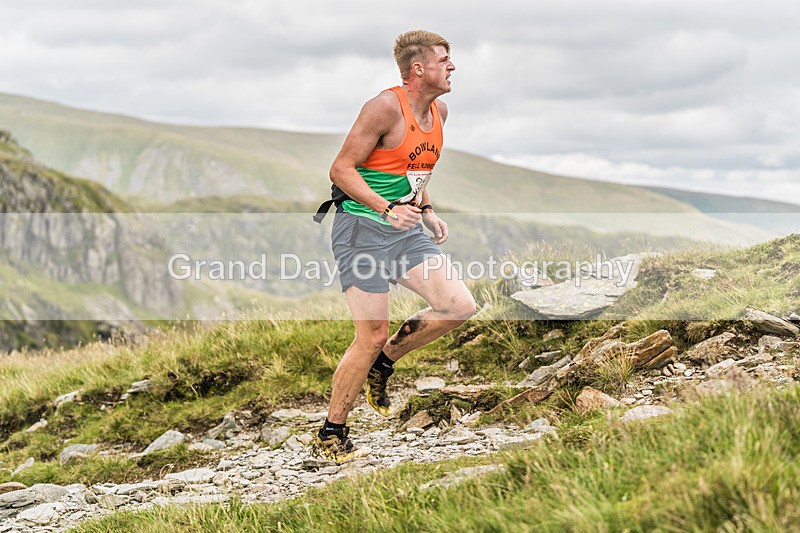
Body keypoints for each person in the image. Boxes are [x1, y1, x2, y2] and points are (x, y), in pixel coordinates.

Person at [313, 30, 477, 464]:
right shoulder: (384, 107)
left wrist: (426, 208)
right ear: (419, 68)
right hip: (361, 230)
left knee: (458, 306)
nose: (452, 66)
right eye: (444, 59)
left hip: (404, 230)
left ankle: (383, 366)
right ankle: (332, 433)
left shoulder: (439, 110)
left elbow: (415, 168)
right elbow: (341, 169)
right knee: (369, 335)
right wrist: (386, 208)